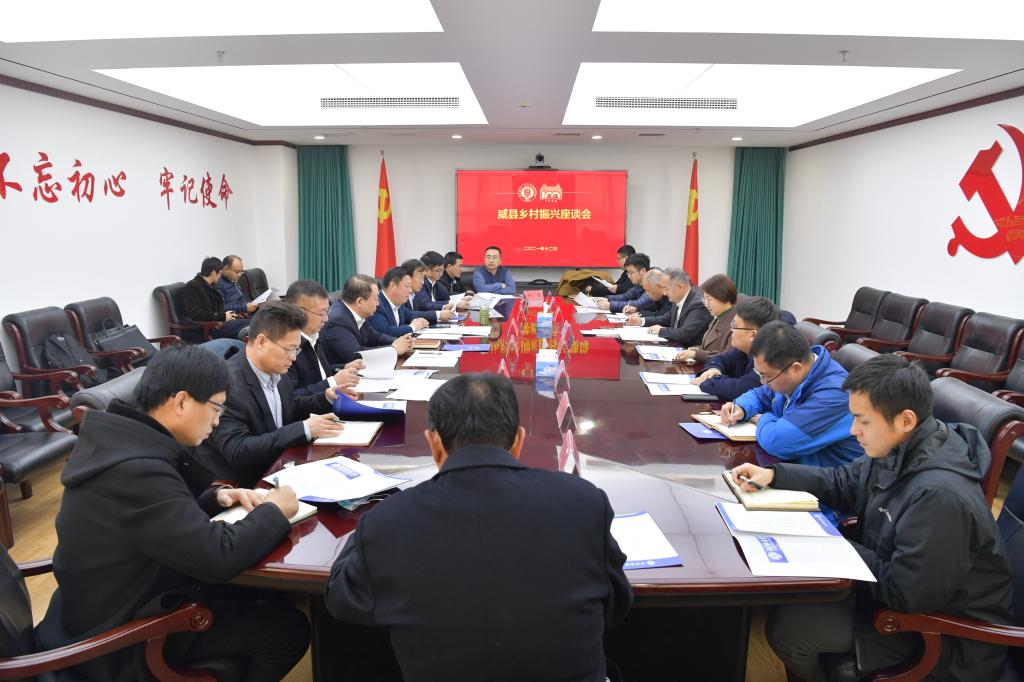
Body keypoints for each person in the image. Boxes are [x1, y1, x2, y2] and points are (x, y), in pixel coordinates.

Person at [325, 373, 633, 682]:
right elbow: (617, 605)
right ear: (518, 441)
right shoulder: (583, 503)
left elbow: (342, 599)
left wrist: (370, 525)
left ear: (434, 443)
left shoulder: (389, 522)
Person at [35, 344, 310, 682]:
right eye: (216, 408)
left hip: (107, 605)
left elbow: (154, 516)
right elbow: (217, 558)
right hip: (123, 637)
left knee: (266, 595)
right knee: (289, 630)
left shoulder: (124, 442)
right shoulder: (136, 470)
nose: (217, 421)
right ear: (181, 402)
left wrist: (217, 498)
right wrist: (274, 511)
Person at [731, 354, 1014, 681]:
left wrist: (831, 544)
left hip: (944, 639)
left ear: (905, 419)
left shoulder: (939, 496)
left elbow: (907, 594)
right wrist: (774, 475)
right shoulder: (899, 446)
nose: (853, 431)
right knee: (795, 605)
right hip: (906, 600)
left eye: (862, 421)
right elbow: (845, 482)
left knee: (790, 630)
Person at [201, 301, 344, 486]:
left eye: (297, 349)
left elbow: (288, 407)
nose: (294, 357)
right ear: (262, 342)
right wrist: (304, 429)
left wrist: (325, 398)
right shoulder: (227, 385)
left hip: (282, 465)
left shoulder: (275, 367)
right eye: (289, 350)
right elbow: (238, 450)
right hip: (248, 483)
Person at [720, 321, 863, 467]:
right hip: (793, 468)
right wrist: (741, 407)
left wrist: (763, 418)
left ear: (795, 368)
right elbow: (759, 395)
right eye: (760, 375)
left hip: (826, 477)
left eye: (767, 377)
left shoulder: (835, 393)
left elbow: (778, 443)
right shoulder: (793, 372)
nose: (763, 382)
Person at [282, 278, 361, 399]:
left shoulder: (313, 335)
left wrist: (343, 367)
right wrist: (332, 382)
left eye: (327, 312)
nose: (326, 319)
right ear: (299, 312)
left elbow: (319, 374)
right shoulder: (286, 346)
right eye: (321, 313)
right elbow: (292, 398)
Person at [694, 296, 777, 401]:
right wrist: (713, 370)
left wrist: (709, 380)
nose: (731, 330)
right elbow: (717, 360)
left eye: (735, 325)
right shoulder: (742, 351)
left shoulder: (768, 359)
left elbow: (739, 390)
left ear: (753, 334)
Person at [320, 274, 414, 366]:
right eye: (376, 299)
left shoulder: (357, 312)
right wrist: (393, 349)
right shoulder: (337, 320)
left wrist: (398, 341)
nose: (378, 304)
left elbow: (373, 336)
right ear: (360, 301)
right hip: (341, 373)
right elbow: (356, 354)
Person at [629, 268, 712, 346]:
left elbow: (684, 334)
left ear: (680, 287)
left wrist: (661, 330)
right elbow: (666, 319)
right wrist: (641, 321)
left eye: (667, 289)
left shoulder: (698, 304)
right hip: (675, 347)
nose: (664, 293)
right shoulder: (677, 298)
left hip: (690, 352)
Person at [181, 256, 250, 343]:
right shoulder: (192, 287)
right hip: (205, 329)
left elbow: (216, 309)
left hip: (217, 324)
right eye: (220, 273)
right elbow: (196, 314)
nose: (220, 276)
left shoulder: (211, 286)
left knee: (247, 327)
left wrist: (227, 315)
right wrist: (222, 316)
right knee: (250, 324)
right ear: (213, 273)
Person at [673, 273, 738, 363]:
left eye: (709, 299)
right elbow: (709, 347)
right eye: (705, 299)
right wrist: (695, 350)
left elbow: (730, 356)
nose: (706, 304)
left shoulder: (736, 323)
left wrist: (696, 354)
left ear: (723, 296)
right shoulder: (718, 317)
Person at [370, 266, 433, 336]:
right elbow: (385, 331)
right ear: (393, 285)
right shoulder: (377, 304)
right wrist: (413, 327)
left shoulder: (398, 302)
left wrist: (419, 321)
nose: (410, 291)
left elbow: (410, 315)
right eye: (407, 286)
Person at [402, 258, 455, 322]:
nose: (422, 282)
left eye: (423, 278)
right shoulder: (401, 296)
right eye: (420, 277)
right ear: (408, 278)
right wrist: (438, 315)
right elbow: (408, 314)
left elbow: (423, 307)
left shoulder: (415, 294)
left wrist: (445, 308)